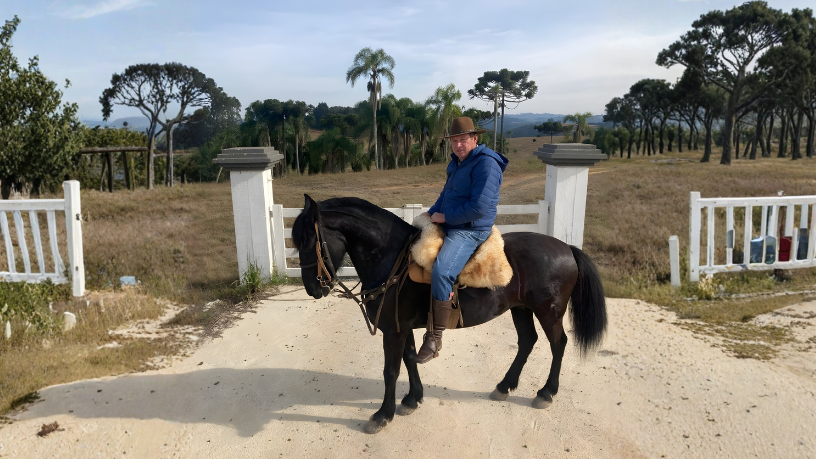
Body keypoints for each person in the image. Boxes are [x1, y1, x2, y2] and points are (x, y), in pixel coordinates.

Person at [417, 117, 509, 363]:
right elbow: (446, 195)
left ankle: (435, 337)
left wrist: (444, 217)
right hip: (452, 222)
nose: (458, 145)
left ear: (475, 139)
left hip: (469, 229)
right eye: (454, 141)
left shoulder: (486, 165)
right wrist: (431, 213)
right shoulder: (458, 162)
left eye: (463, 140)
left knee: (442, 272)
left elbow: (478, 207)